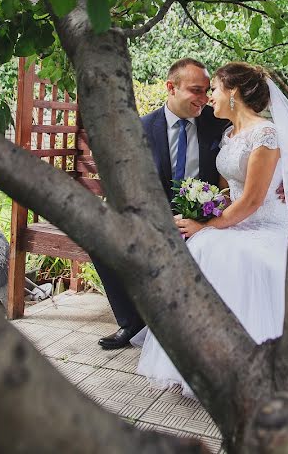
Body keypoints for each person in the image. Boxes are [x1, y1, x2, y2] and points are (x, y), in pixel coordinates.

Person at [135, 62, 288, 396]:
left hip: (264, 224)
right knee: (205, 246)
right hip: (234, 221)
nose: (209, 98)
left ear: (232, 93)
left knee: (211, 247)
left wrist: (204, 225)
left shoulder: (266, 134)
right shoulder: (228, 134)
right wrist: (202, 207)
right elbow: (224, 193)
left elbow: (250, 202)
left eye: (214, 89)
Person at [95, 58, 230, 350]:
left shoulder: (219, 123)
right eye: (196, 90)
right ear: (171, 87)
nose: (204, 98)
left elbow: (254, 150)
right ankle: (132, 324)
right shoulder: (140, 129)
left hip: (203, 220)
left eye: (207, 91)